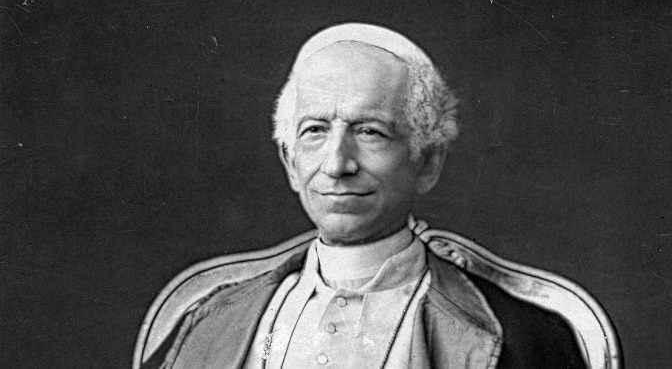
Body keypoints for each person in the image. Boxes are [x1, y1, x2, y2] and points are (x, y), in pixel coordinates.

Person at [140, 23, 587, 369]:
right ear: (290, 162)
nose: (337, 163)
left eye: (369, 132)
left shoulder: (523, 338)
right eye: (314, 131)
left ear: (427, 161)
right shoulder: (209, 323)